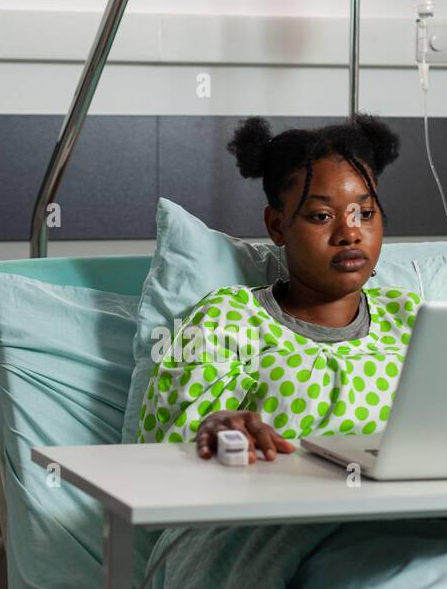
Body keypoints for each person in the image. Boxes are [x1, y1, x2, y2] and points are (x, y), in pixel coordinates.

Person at [138, 114, 417, 463]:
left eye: (364, 212)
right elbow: (161, 447)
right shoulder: (227, 320)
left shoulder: (411, 319)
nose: (350, 232)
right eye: (321, 216)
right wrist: (216, 426)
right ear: (276, 225)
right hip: (286, 510)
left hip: (419, 505)